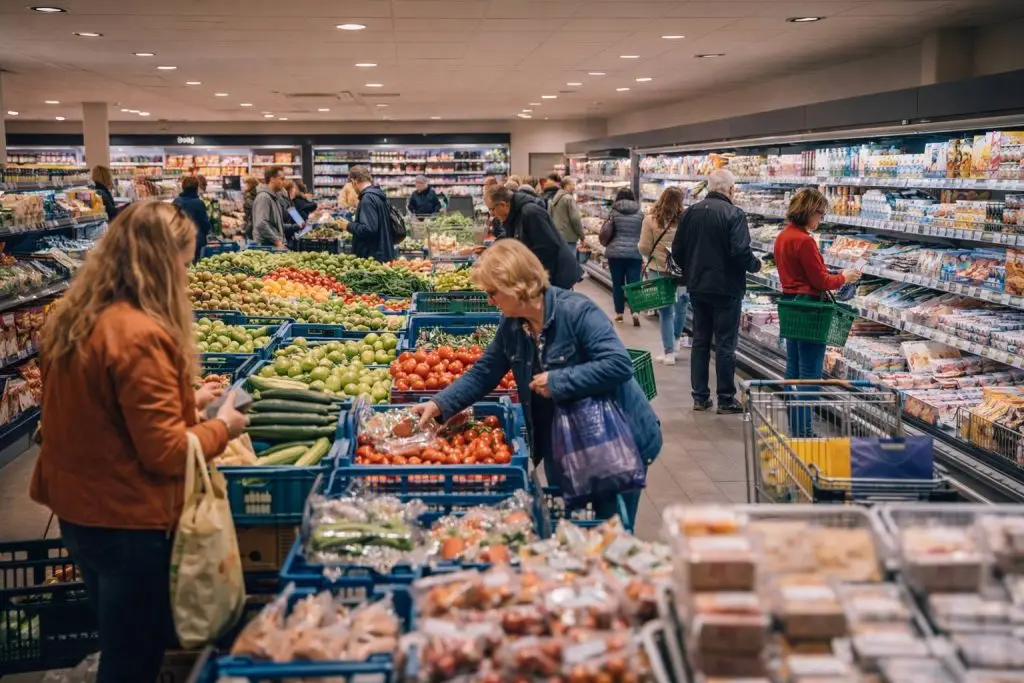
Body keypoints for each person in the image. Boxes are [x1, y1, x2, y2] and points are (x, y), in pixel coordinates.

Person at [30, 200, 248, 683]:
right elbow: (167, 453)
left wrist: (185, 400)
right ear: (159, 264)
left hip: (80, 510)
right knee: (134, 657)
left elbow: (103, 411)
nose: (186, 278)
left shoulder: (77, 317)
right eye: (184, 265)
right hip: (127, 518)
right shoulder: (140, 334)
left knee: (120, 643)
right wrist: (222, 427)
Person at [409, 239, 661, 523]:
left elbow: (618, 364)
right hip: (564, 436)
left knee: (610, 527)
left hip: (614, 438)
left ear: (516, 287)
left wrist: (558, 380)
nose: (490, 301)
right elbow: (485, 372)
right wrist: (439, 403)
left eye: (493, 292)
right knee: (572, 526)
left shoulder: (577, 312)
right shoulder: (513, 324)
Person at [671, 169, 761, 414]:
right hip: (726, 289)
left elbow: (676, 250)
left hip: (698, 286)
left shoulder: (690, 213)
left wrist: (690, 270)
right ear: (730, 189)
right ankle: (725, 398)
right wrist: (755, 265)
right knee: (724, 345)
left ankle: (700, 397)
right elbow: (741, 251)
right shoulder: (734, 214)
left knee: (700, 341)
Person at [774, 187, 862, 436]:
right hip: (810, 312)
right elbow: (821, 281)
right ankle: (804, 431)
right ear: (809, 211)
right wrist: (845, 276)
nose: (821, 219)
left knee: (793, 370)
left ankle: (795, 427)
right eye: (820, 214)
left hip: (791, 306)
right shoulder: (804, 241)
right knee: (809, 374)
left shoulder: (783, 236)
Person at [485, 184, 578, 289]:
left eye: (492, 209)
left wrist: (534, 280)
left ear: (503, 205)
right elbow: (509, 238)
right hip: (544, 274)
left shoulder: (530, 212)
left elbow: (548, 248)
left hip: (558, 275)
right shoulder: (513, 215)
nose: (492, 214)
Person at [639, 186, 691, 365]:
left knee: (665, 311)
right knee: (682, 305)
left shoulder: (650, 220)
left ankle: (669, 352)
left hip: (659, 269)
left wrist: (656, 254)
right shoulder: (686, 219)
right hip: (681, 271)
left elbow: (644, 247)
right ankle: (676, 342)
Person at [603, 188, 645, 327]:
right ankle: (635, 312)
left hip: (615, 254)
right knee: (634, 285)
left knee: (617, 284)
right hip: (634, 253)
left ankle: (620, 314)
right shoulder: (640, 214)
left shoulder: (613, 212)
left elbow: (606, 231)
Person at [346, 165, 396, 263]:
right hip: (382, 253)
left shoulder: (367, 199)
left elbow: (368, 229)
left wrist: (348, 226)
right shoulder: (378, 195)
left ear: (354, 181)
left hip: (372, 258)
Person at [172, 175, 213, 261]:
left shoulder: (176, 202)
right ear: (196, 188)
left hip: (180, 240)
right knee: (195, 267)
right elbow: (205, 224)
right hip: (196, 242)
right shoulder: (199, 203)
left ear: (183, 187)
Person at [253, 165, 287, 248]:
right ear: (272, 179)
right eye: (281, 179)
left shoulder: (274, 197)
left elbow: (276, 223)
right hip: (266, 247)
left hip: (272, 245)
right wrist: (277, 241)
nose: (284, 182)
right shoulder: (264, 197)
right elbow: (261, 224)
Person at [549, 176, 583, 248]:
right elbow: (575, 218)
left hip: (557, 235)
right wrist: (581, 235)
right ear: (567, 186)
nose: (574, 187)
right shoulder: (568, 199)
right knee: (570, 258)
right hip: (569, 237)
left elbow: (550, 215)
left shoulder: (555, 197)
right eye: (573, 185)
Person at [196, 174, 222, 239]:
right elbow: (209, 218)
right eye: (204, 185)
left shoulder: (200, 197)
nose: (205, 188)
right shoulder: (202, 199)